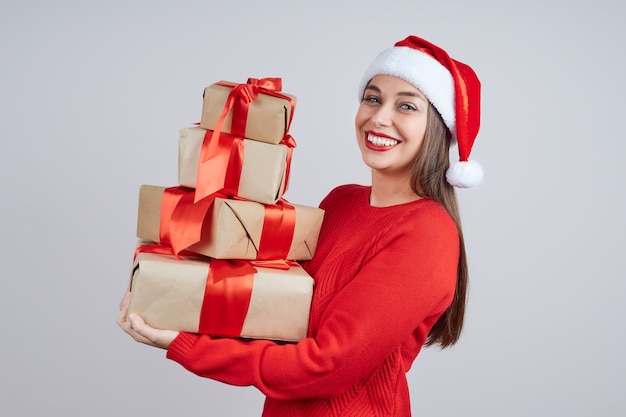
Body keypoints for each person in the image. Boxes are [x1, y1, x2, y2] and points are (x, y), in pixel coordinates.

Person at [118, 34, 482, 417]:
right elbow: (278, 313)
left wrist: (188, 346)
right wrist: (181, 289)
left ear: (438, 129)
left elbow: (328, 365)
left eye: (406, 106)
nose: (379, 117)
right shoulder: (342, 202)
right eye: (372, 98)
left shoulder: (427, 232)